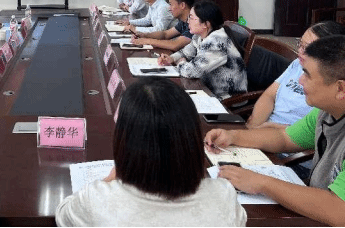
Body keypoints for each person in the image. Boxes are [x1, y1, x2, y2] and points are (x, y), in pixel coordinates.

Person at [56, 77, 246, 227]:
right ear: (191, 138)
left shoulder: (96, 200)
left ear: (126, 143)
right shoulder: (224, 197)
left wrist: (108, 180)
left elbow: (63, 215)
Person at [204, 35, 345, 227]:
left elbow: (339, 210)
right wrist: (233, 135)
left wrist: (261, 183)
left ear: (340, 89)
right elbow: (284, 137)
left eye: (307, 75)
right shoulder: (325, 113)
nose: (300, 81)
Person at [247, 21, 345, 130]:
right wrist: (254, 126)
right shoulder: (297, 63)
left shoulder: (330, 83)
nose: (300, 51)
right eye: (300, 44)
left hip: (291, 134)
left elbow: (314, 131)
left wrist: (274, 130)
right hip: (269, 128)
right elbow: (269, 95)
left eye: (307, 48)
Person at [159, 0, 247, 100]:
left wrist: (180, 62)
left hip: (226, 98)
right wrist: (171, 58)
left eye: (191, 18)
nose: (188, 21)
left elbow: (191, 71)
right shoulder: (199, 36)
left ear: (206, 24)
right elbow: (186, 52)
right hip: (207, 89)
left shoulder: (216, 42)